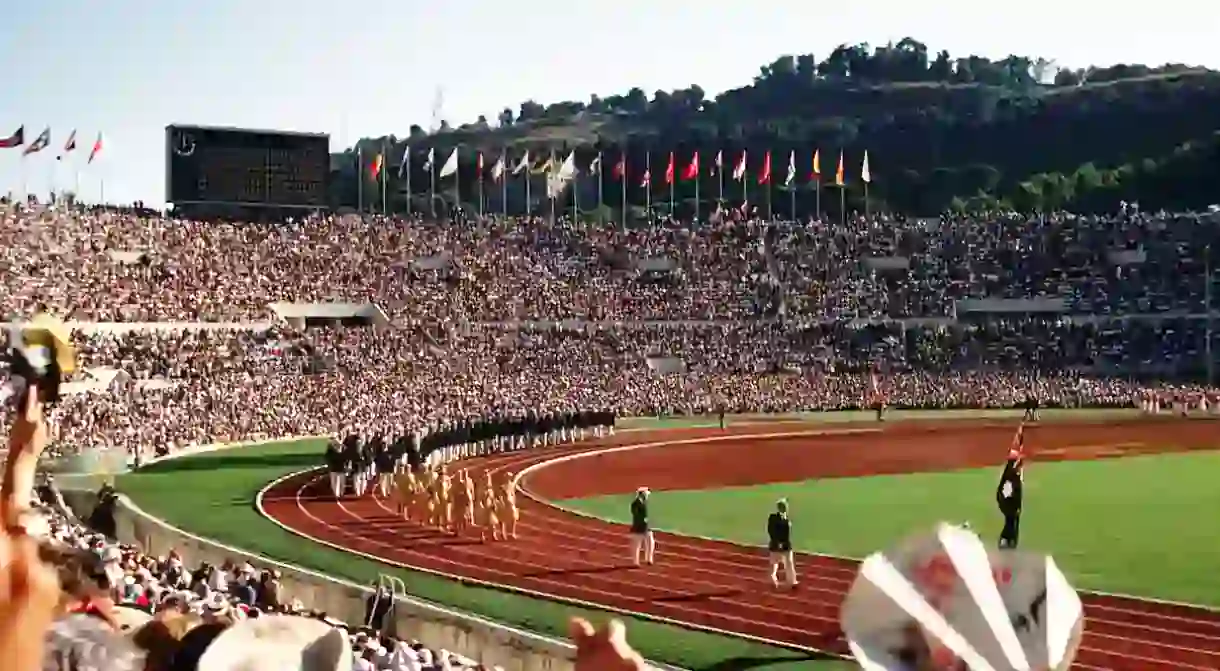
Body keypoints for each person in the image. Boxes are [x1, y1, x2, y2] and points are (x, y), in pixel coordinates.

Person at [997, 424, 1025, 549]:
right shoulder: (1011, 474)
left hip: (1011, 502)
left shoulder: (1011, 473)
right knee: (1011, 521)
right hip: (1010, 503)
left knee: (1012, 521)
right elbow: (1008, 491)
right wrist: (1014, 505)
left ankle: (1011, 539)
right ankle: (1007, 539)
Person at [767, 499, 798, 589]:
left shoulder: (786, 518)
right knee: (774, 564)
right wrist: (778, 542)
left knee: (789, 563)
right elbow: (771, 531)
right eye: (784, 506)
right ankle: (773, 580)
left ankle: (792, 581)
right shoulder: (773, 518)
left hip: (785, 545)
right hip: (777, 544)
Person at [629, 487, 655, 566]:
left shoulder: (644, 502)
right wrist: (644, 520)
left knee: (650, 542)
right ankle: (635, 561)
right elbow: (636, 514)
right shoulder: (635, 503)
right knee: (637, 544)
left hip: (646, 526)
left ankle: (649, 559)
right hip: (638, 527)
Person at [496, 471, 519, 540]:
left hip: (511, 503)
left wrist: (514, 502)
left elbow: (513, 494)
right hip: (504, 503)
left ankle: (512, 533)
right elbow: (499, 495)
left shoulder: (512, 485)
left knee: (513, 518)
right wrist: (501, 502)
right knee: (503, 519)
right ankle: (503, 533)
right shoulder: (502, 486)